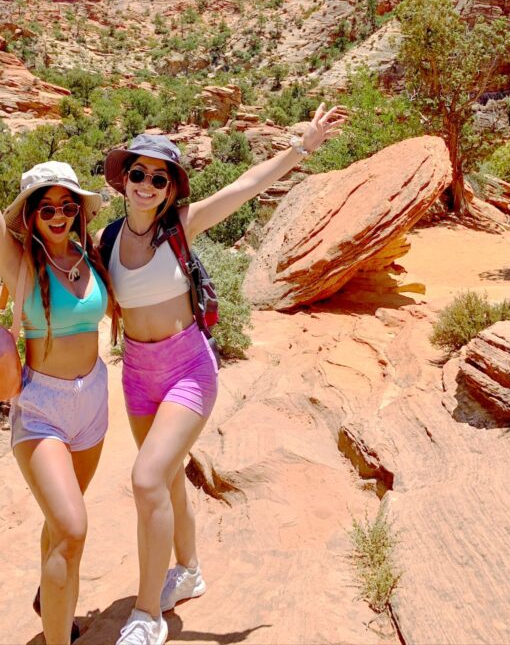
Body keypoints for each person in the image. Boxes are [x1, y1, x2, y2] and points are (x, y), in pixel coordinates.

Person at [104, 104, 346, 645]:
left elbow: (246, 185)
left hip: (188, 367)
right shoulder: (107, 239)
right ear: (124, 179)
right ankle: (187, 572)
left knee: (146, 479)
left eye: (158, 177)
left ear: (170, 189)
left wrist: (301, 147)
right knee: (165, 477)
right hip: (138, 374)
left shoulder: (181, 228)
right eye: (138, 173)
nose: (146, 184)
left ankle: (148, 615)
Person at [0, 81, 119, 645]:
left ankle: (50, 595)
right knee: (73, 526)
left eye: (66, 206)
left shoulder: (93, 256)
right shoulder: (19, 265)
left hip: (93, 403)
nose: (58, 215)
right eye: (46, 208)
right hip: (42, 409)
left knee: (63, 522)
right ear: (32, 216)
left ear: (78, 211)